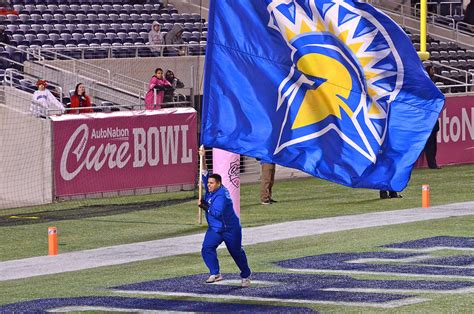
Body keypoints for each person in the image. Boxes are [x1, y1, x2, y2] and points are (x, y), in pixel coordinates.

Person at [198, 146, 252, 288]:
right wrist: (203, 157)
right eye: (208, 183)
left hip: (230, 229)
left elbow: (216, 212)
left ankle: (246, 274)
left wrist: (203, 205)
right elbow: (204, 172)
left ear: (219, 184)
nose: (208, 185)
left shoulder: (223, 195)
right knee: (207, 248)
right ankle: (215, 273)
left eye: (211, 183)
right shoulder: (210, 188)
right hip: (215, 229)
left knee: (236, 252)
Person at [423, 65, 441, 169]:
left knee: (433, 143)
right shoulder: (426, 83)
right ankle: (432, 163)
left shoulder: (432, 82)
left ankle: (433, 162)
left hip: (433, 117)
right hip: (428, 118)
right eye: (432, 69)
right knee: (430, 143)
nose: (434, 71)